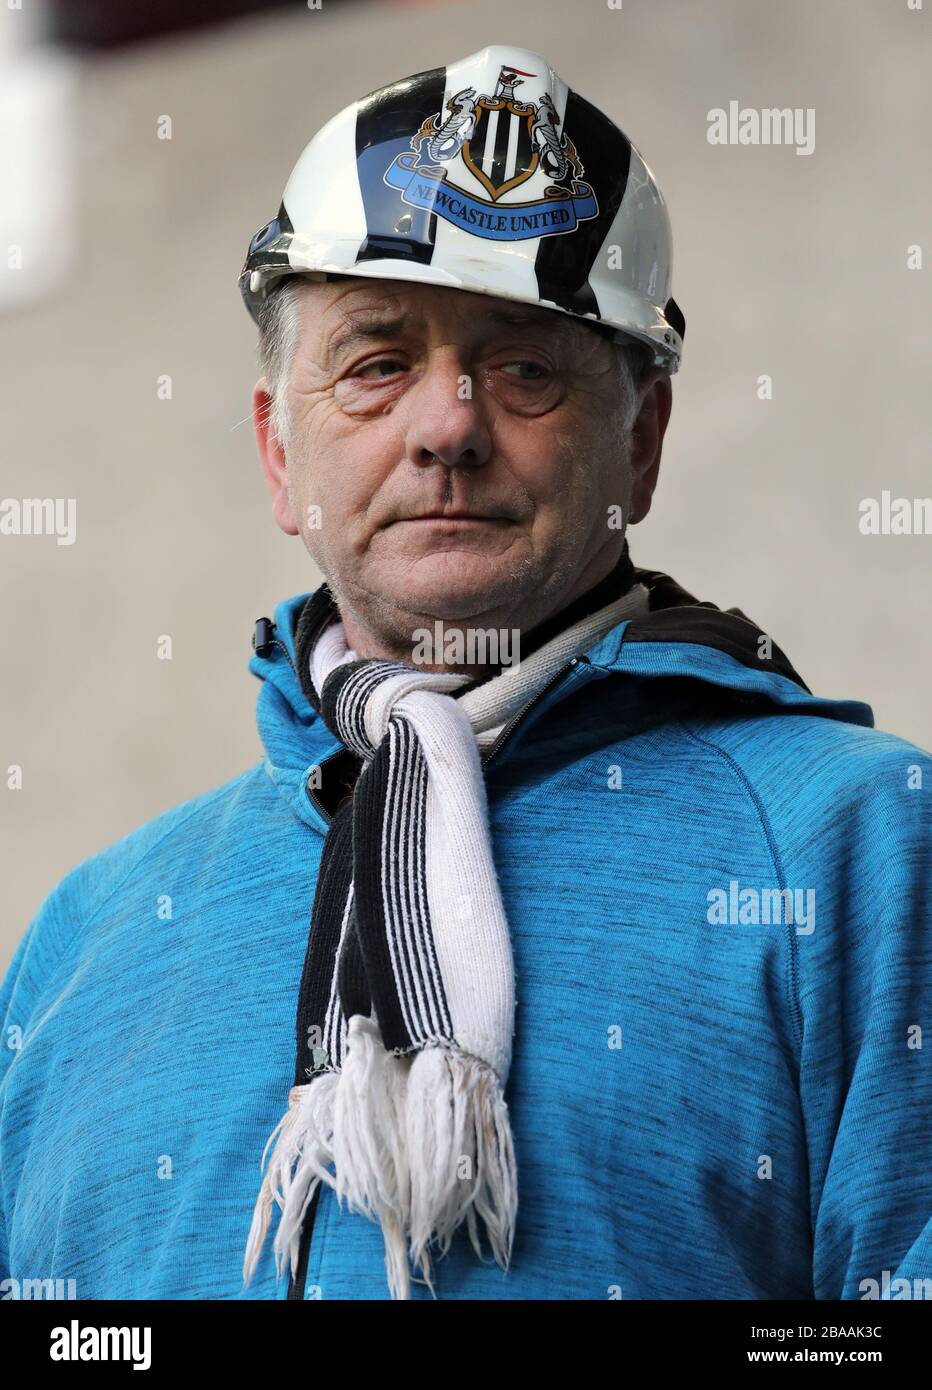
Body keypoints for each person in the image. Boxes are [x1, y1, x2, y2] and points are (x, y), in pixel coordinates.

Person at [1, 44, 929, 1303]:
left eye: (525, 366)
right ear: (279, 450)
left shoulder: (865, 853)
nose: (446, 425)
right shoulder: (84, 939)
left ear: (640, 444)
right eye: (376, 362)